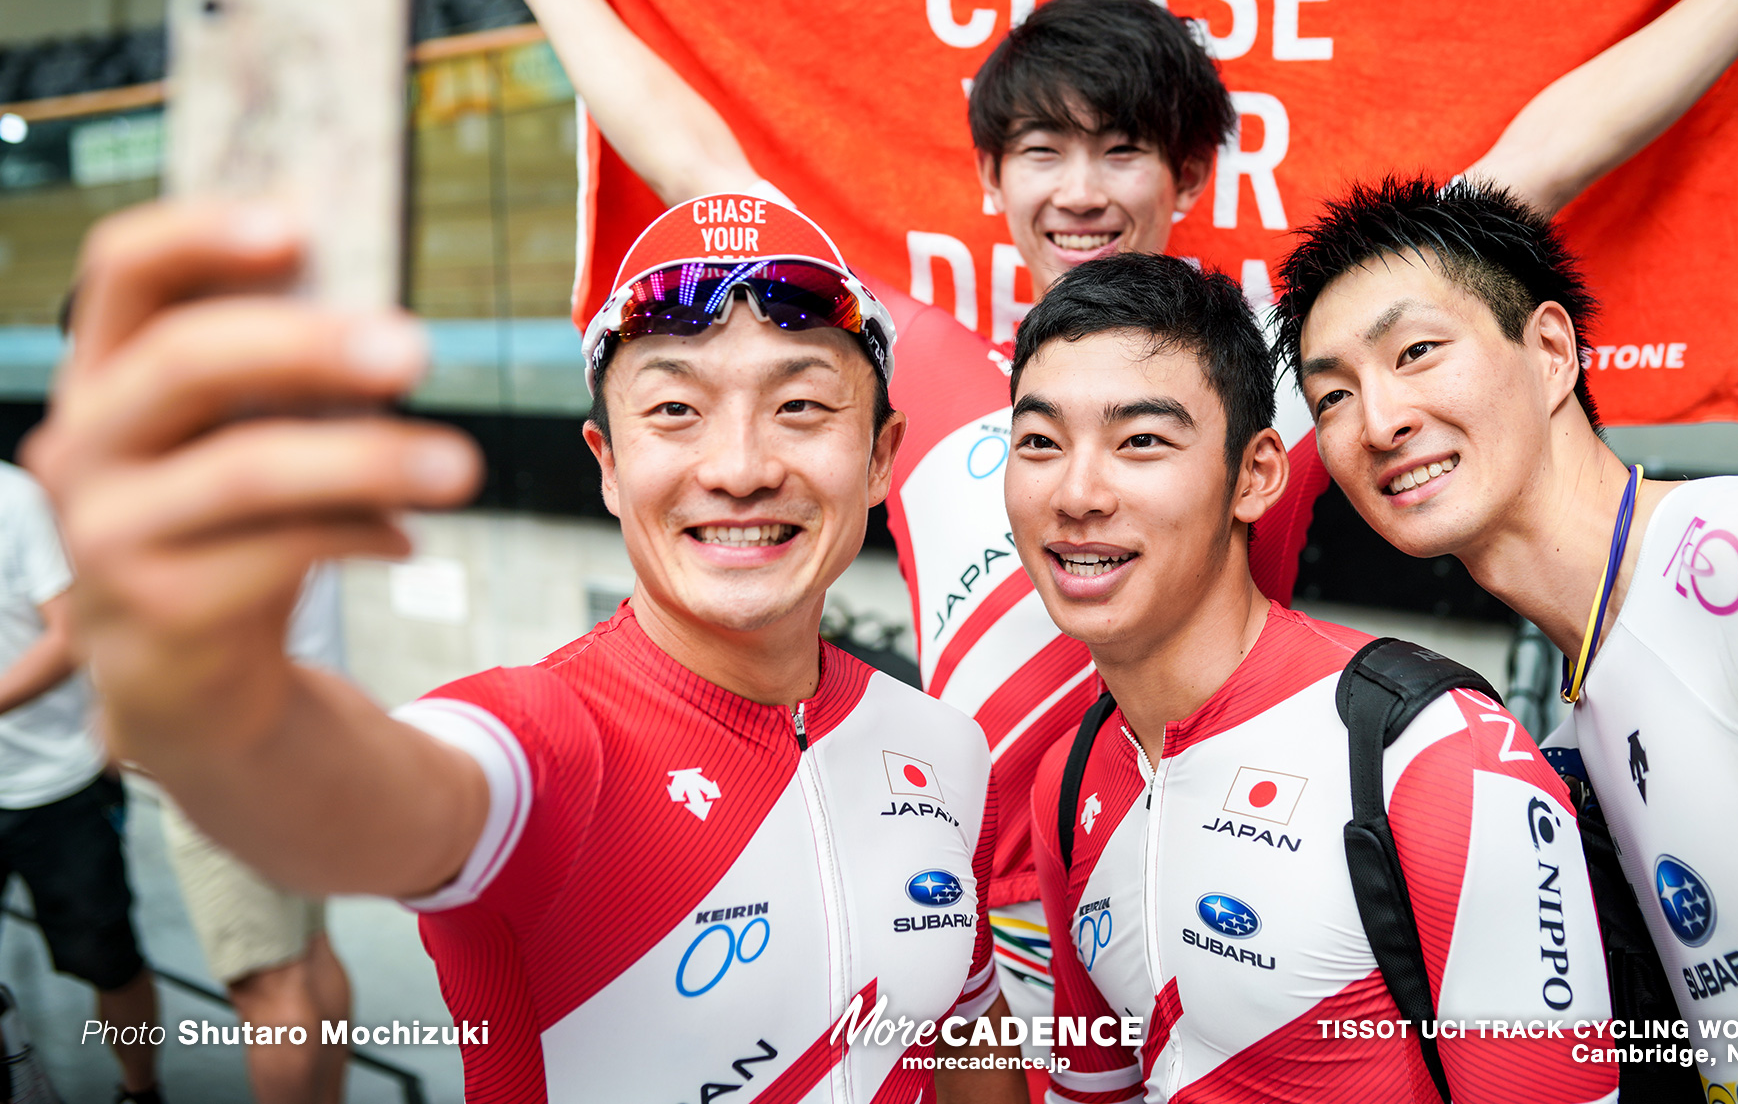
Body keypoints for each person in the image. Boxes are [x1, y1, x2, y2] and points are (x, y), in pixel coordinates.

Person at [460, 0, 1738, 1016]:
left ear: (1188, 172)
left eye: (1122, 148)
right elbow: (697, 153)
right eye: (1043, 152)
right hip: (967, 914)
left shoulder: (1268, 371)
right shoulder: (922, 361)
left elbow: (1537, 162)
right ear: (993, 179)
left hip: (1239, 898)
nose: (1081, 189)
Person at [25, 195, 1023, 1103]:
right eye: (674, 409)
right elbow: (377, 793)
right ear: (608, 463)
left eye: (800, 404)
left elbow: (969, 1031)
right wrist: (226, 705)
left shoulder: (942, 744)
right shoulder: (539, 739)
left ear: (883, 455)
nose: (741, 465)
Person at [1273, 177, 1738, 1099]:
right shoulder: (1581, 705)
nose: (1380, 421)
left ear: (1552, 350)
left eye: (1419, 351)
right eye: (1332, 398)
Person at [1009, 253, 1615, 1103]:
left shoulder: (1433, 753)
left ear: (1254, 475)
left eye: (1141, 440)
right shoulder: (1068, 783)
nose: (1077, 493)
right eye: (1039, 441)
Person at [0, 458, 163, 1104]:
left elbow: (70, 638)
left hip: (55, 784)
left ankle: (140, 1090)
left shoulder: (17, 500)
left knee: (109, 960)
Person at [156, 565, 351, 1104]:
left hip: (231, 766)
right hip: (305, 740)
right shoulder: (299, 484)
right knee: (308, 951)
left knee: (270, 987)